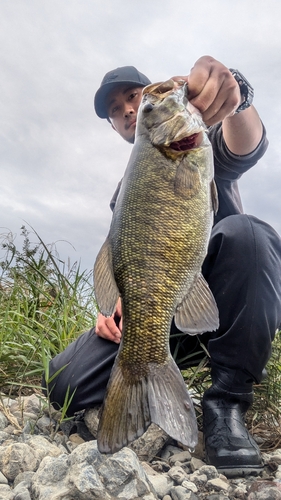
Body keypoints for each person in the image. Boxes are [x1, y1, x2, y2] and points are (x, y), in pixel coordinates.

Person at [43, 56, 281, 476]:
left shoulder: (194, 144)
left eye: (134, 99)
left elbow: (246, 148)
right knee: (64, 380)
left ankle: (226, 403)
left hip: (221, 309)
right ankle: (148, 389)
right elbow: (125, 260)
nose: (128, 112)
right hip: (159, 317)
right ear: (114, 127)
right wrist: (111, 308)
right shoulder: (126, 191)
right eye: (115, 111)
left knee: (252, 236)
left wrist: (236, 96)